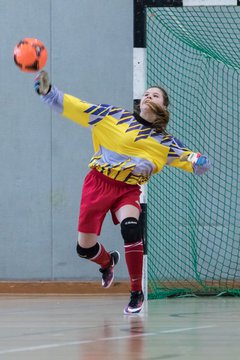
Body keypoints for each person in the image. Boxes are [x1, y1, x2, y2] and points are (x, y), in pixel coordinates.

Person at [34, 71, 211, 314]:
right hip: (97, 183)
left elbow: (192, 159)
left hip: (127, 189)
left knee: (131, 228)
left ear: (164, 106)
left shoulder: (167, 143)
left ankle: (136, 292)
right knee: (84, 249)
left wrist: (201, 162)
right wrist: (48, 92)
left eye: (155, 95)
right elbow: (78, 107)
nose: (148, 95)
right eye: (146, 93)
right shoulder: (113, 115)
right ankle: (107, 263)